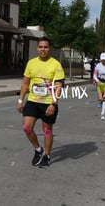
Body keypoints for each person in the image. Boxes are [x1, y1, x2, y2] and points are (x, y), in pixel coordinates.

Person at [17, 37, 65, 167]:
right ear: (37, 48)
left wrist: (53, 104)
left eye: (46, 47)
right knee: (26, 127)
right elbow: (25, 82)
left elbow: (59, 86)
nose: (43, 49)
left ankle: (47, 155)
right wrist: (21, 100)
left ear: (49, 48)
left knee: (47, 131)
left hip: (48, 103)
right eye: (41, 47)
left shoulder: (55, 64)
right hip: (32, 101)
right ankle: (38, 149)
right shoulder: (31, 63)